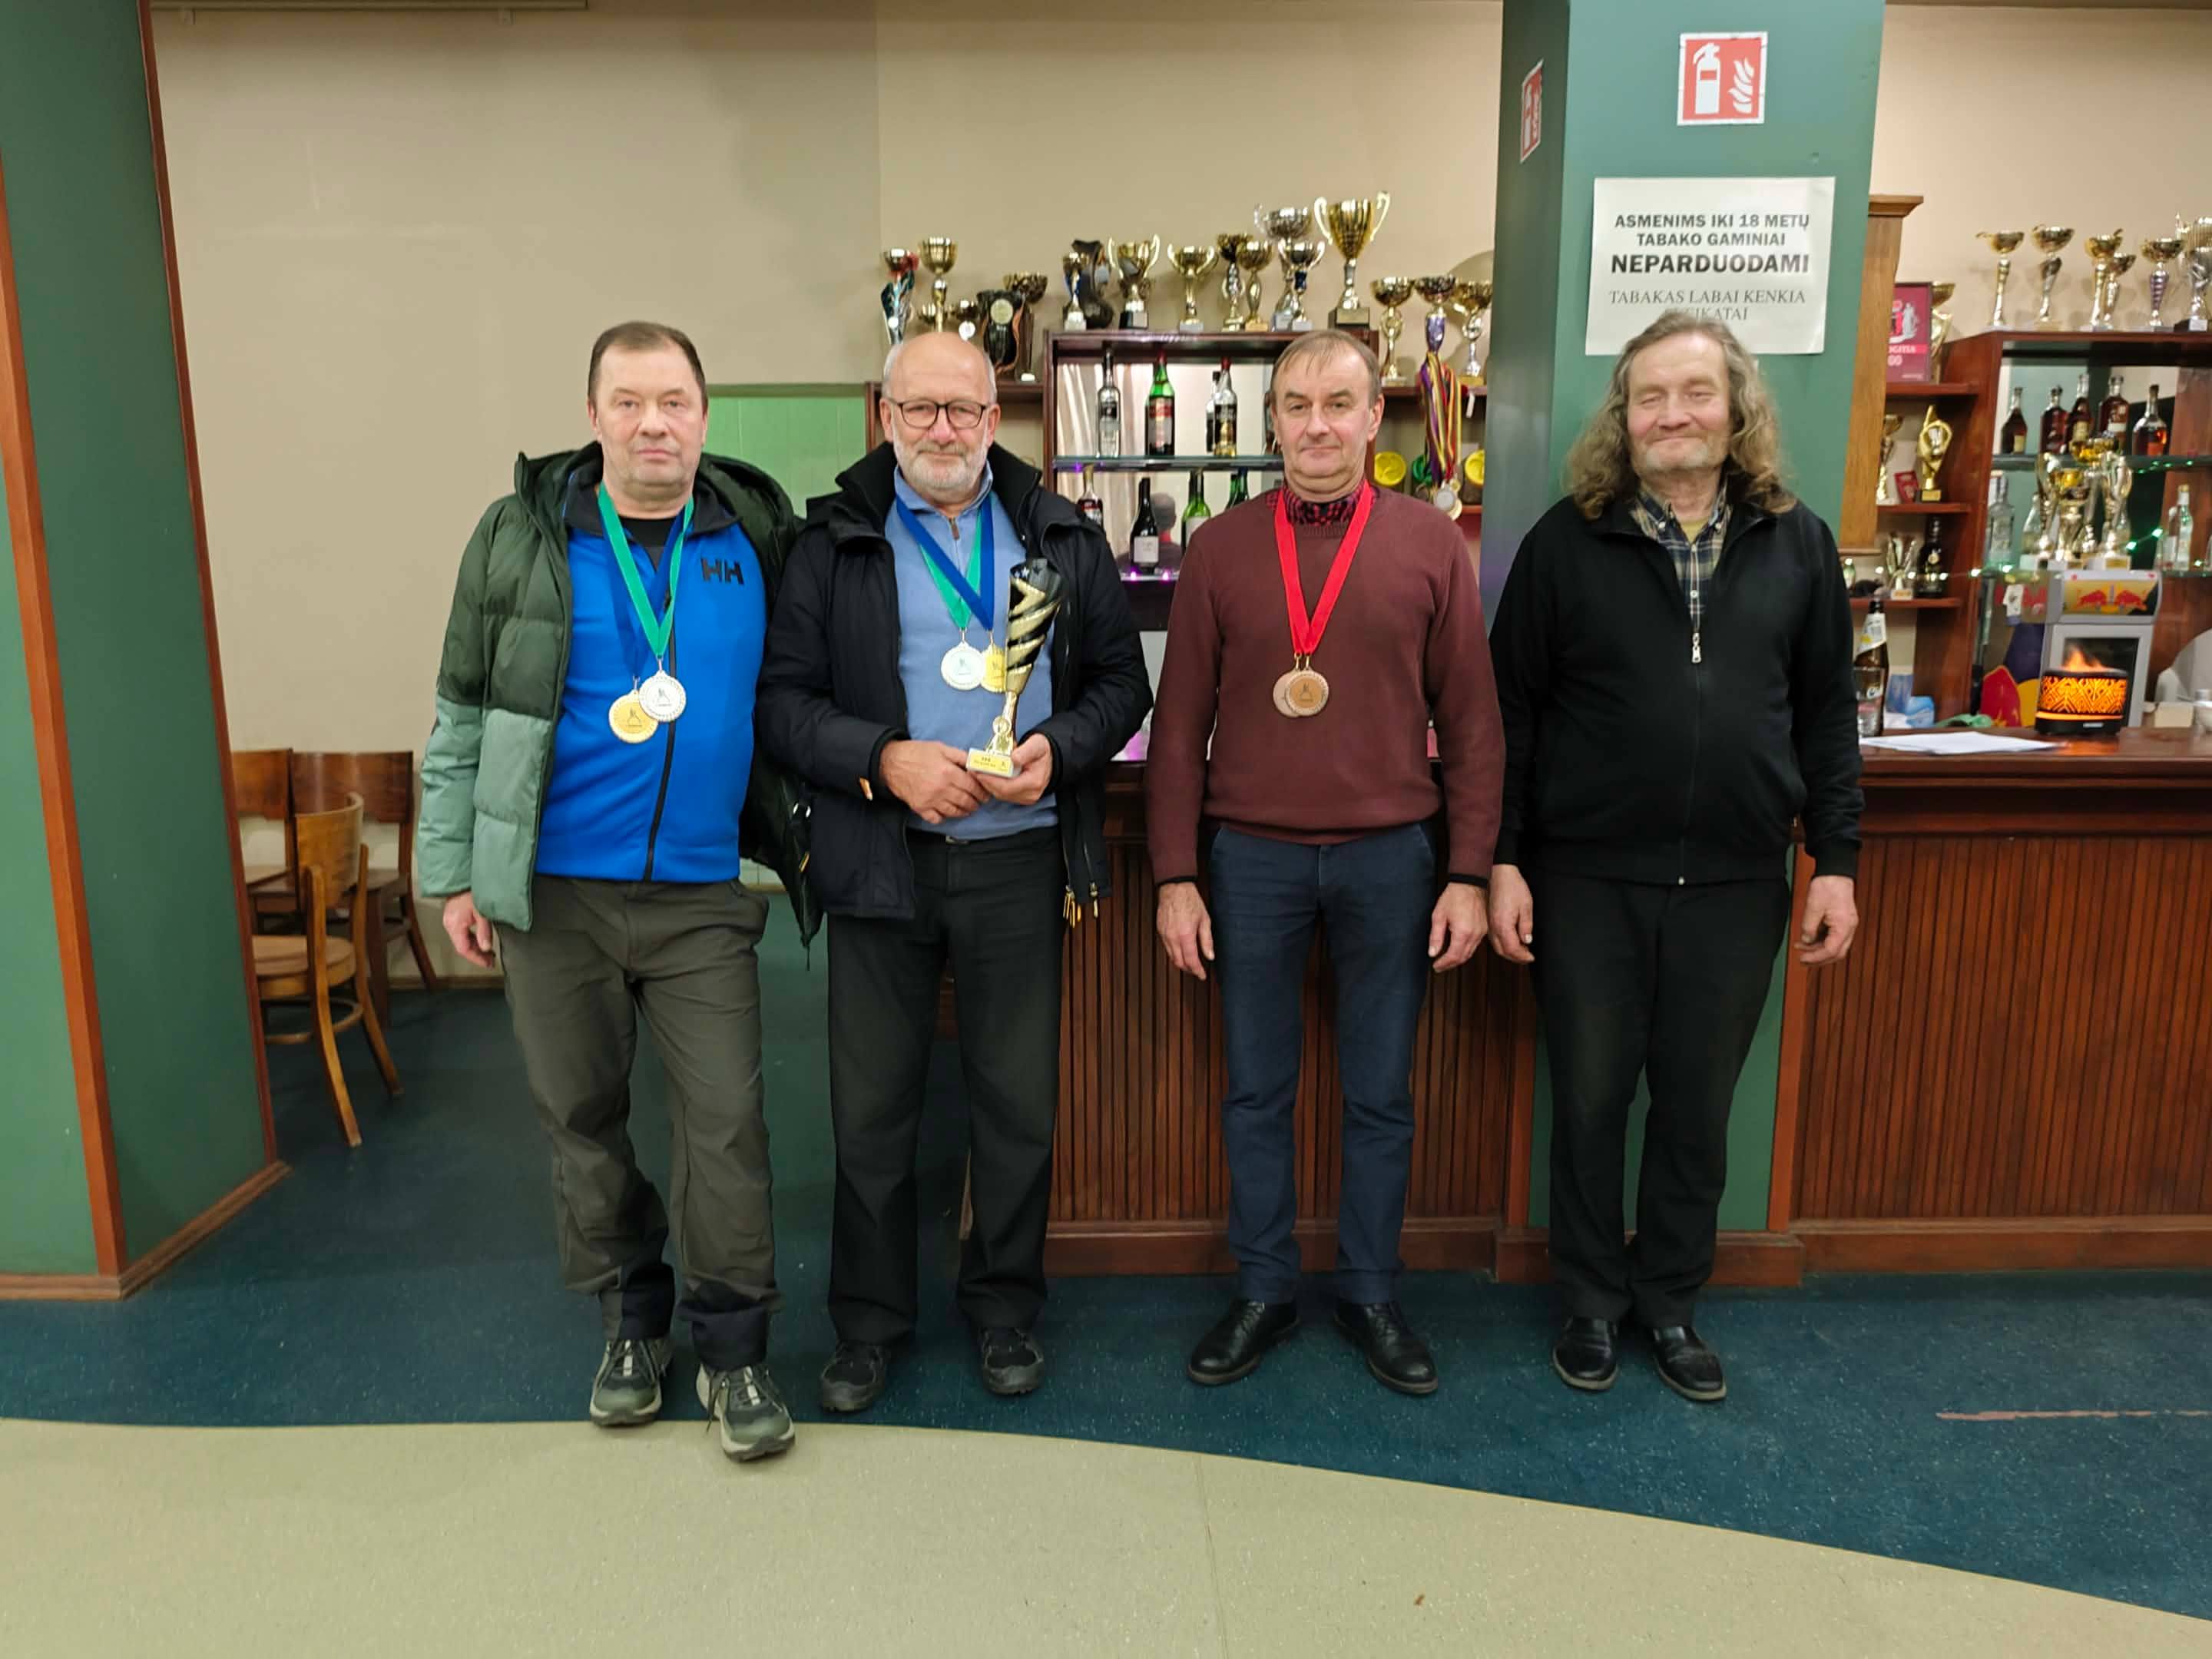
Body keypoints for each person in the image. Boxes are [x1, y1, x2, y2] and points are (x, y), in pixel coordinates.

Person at [418, 321, 815, 1462]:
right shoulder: (520, 538)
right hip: (556, 896)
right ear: (593, 416)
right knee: (583, 1119)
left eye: (674, 402)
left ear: (704, 416)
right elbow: (459, 713)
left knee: (726, 1123)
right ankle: (631, 1323)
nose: (653, 424)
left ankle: (734, 1347)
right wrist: (457, 875)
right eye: (629, 402)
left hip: (700, 898)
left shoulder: (753, 535)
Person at [757, 331, 1149, 1411]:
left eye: (963, 409)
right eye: (920, 408)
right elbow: (781, 706)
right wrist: (884, 760)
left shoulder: (1060, 533)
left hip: (1020, 862)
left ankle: (1005, 1309)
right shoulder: (831, 542)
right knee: (872, 1111)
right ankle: (869, 1325)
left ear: (993, 418)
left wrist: (1059, 749)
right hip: (881, 860)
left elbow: (1123, 686)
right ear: (886, 416)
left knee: (1016, 1106)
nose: (943, 428)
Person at [1486, 310, 1863, 1405]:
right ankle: (1591, 1303)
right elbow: (1511, 718)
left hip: (1739, 883)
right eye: (1648, 397)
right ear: (1623, 418)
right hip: (1586, 881)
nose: (1672, 415)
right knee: (1590, 1103)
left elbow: (1827, 715)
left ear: (1737, 408)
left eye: (1695, 393)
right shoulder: (1567, 543)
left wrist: (1836, 859)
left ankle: (1670, 1305)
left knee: (1696, 1110)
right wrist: (1503, 860)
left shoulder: (1798, 542)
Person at [1147, 329, 1505, 1396]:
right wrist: (1174, 875)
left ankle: (1369, 1292)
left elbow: (1473, 725)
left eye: (1338, 404)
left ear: (1375, 413)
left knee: (1381, 1092)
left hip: (1392, 859)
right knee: (1256, 1089)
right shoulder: (1219, 547)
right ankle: (1263, 1288)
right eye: (1296, 405)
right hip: (1249, 859)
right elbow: (1178, 727)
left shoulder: (1431, 543)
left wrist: (1469, 872)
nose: (1317, 426)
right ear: (1271, 420)